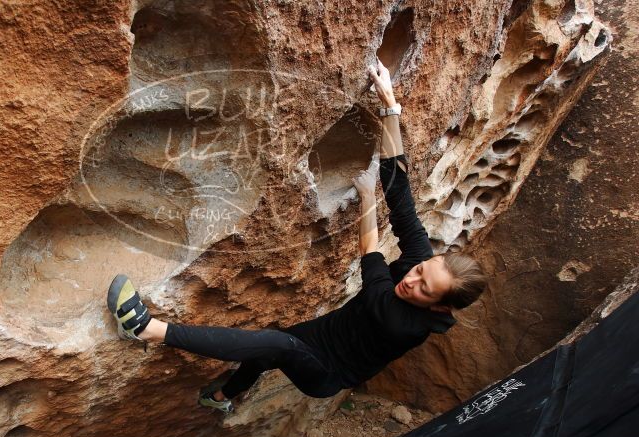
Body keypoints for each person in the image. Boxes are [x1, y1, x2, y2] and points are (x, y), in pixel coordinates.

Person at [106, 59, 487, 413]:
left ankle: (146, 329)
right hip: (327, 332)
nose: (411, 279)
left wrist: (368, 199)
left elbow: (370, 251)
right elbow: (401, 194)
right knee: (268, 348)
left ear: (439, 308)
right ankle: (222, 397)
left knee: (277, 345)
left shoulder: (403, 323)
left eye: (424, 288)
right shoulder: (421, 263)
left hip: (328, 372)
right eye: (422, 270)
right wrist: (390, 107)